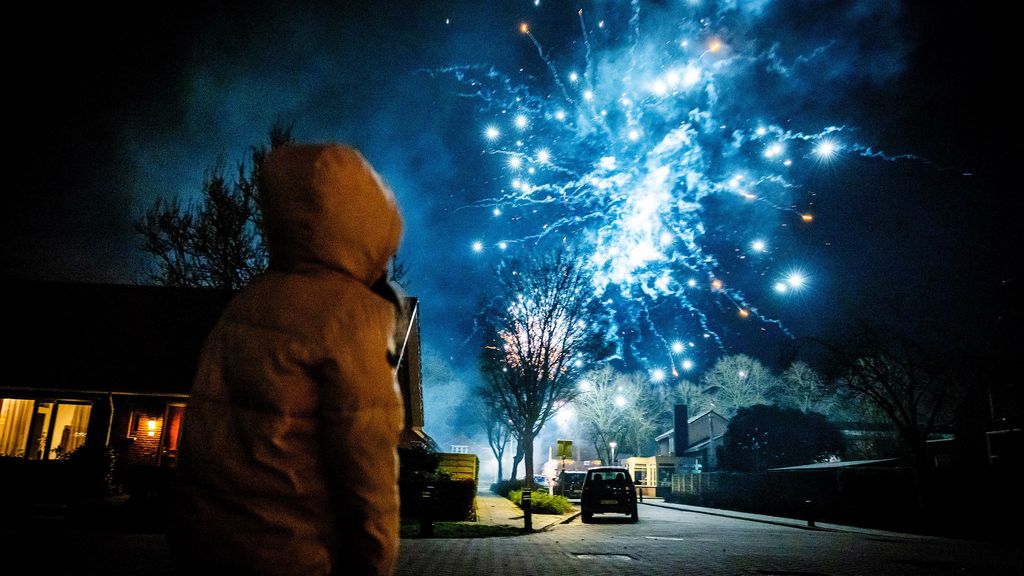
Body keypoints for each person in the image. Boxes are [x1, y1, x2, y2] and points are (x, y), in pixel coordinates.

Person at [170, 143, 406, 576]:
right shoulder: (352, 316)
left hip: (206, 549)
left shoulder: (245, 305)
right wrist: (374, 563)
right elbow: (366, 469)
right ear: (367, 226)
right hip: (296, 555)